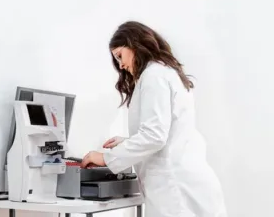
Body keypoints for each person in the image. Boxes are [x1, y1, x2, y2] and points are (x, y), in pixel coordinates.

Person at [80, 21, 228, 217]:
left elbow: (154, 136)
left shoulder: (153, 76)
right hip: (183, 182)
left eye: (119, 55)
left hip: (175, 189)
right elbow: (166, 133)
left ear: (133, 44)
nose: (121, 65)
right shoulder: (163, 72)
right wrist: (127, 142)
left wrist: (105, 158)